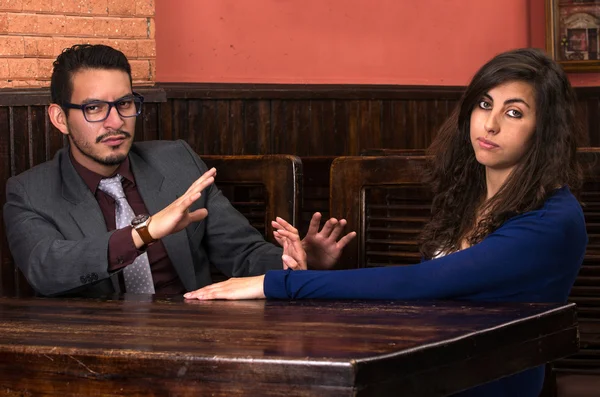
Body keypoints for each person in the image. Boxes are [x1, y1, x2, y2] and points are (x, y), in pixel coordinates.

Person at [184, 48, 588, 396]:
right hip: (423, 366)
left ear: (544, 131)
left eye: (513, 112)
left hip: (486, 381)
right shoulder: (470, 195)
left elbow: (427, 283)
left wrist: (276, 283)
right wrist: (312, 272)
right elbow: (421, 302)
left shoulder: (552, 219)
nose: (491, 123)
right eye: (485, 104)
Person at [3, 44, 355, 298]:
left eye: (124, 104)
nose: (116, 121)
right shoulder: (29, 191)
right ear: (60, 118)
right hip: (94, 355)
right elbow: (45, 269)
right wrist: (144, 232)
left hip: (191, 338)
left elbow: (243, 253)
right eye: (95, 107)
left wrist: (297, 259)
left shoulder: (176, 161)